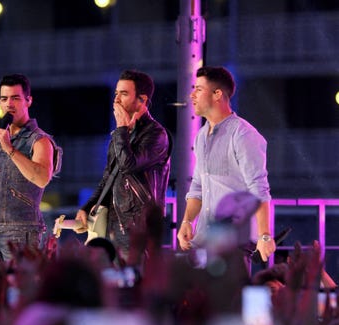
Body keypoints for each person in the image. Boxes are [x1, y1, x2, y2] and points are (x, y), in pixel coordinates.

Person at [177, 66, 276, 262]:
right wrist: (187, 221)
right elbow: (197, 186)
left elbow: (259, 187)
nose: (192, 95)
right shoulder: (201, 137)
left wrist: (264, 235)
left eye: (198, 89)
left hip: (234, 243)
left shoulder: (243, 134)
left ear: (217, 94)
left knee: (228, 293)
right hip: (204, 240)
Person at [75, 69, 171, 261]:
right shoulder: (121, 135)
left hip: (138, 229)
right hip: (113, 226)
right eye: (116, 93)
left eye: (124, 94)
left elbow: (129, 165)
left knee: (135, 283)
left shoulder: (156, 134)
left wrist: (121, 131)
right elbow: (108, 177)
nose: (116, 99)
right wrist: (87, 207)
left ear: (142, 100)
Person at [0, 74, 60, 261]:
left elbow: (42, 178)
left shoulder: (39, 140)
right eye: (4, 98)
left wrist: (9, 148)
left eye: (15, 98)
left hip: (22, 233)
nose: (9, 104)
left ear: (28, 101)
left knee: (18, 286)